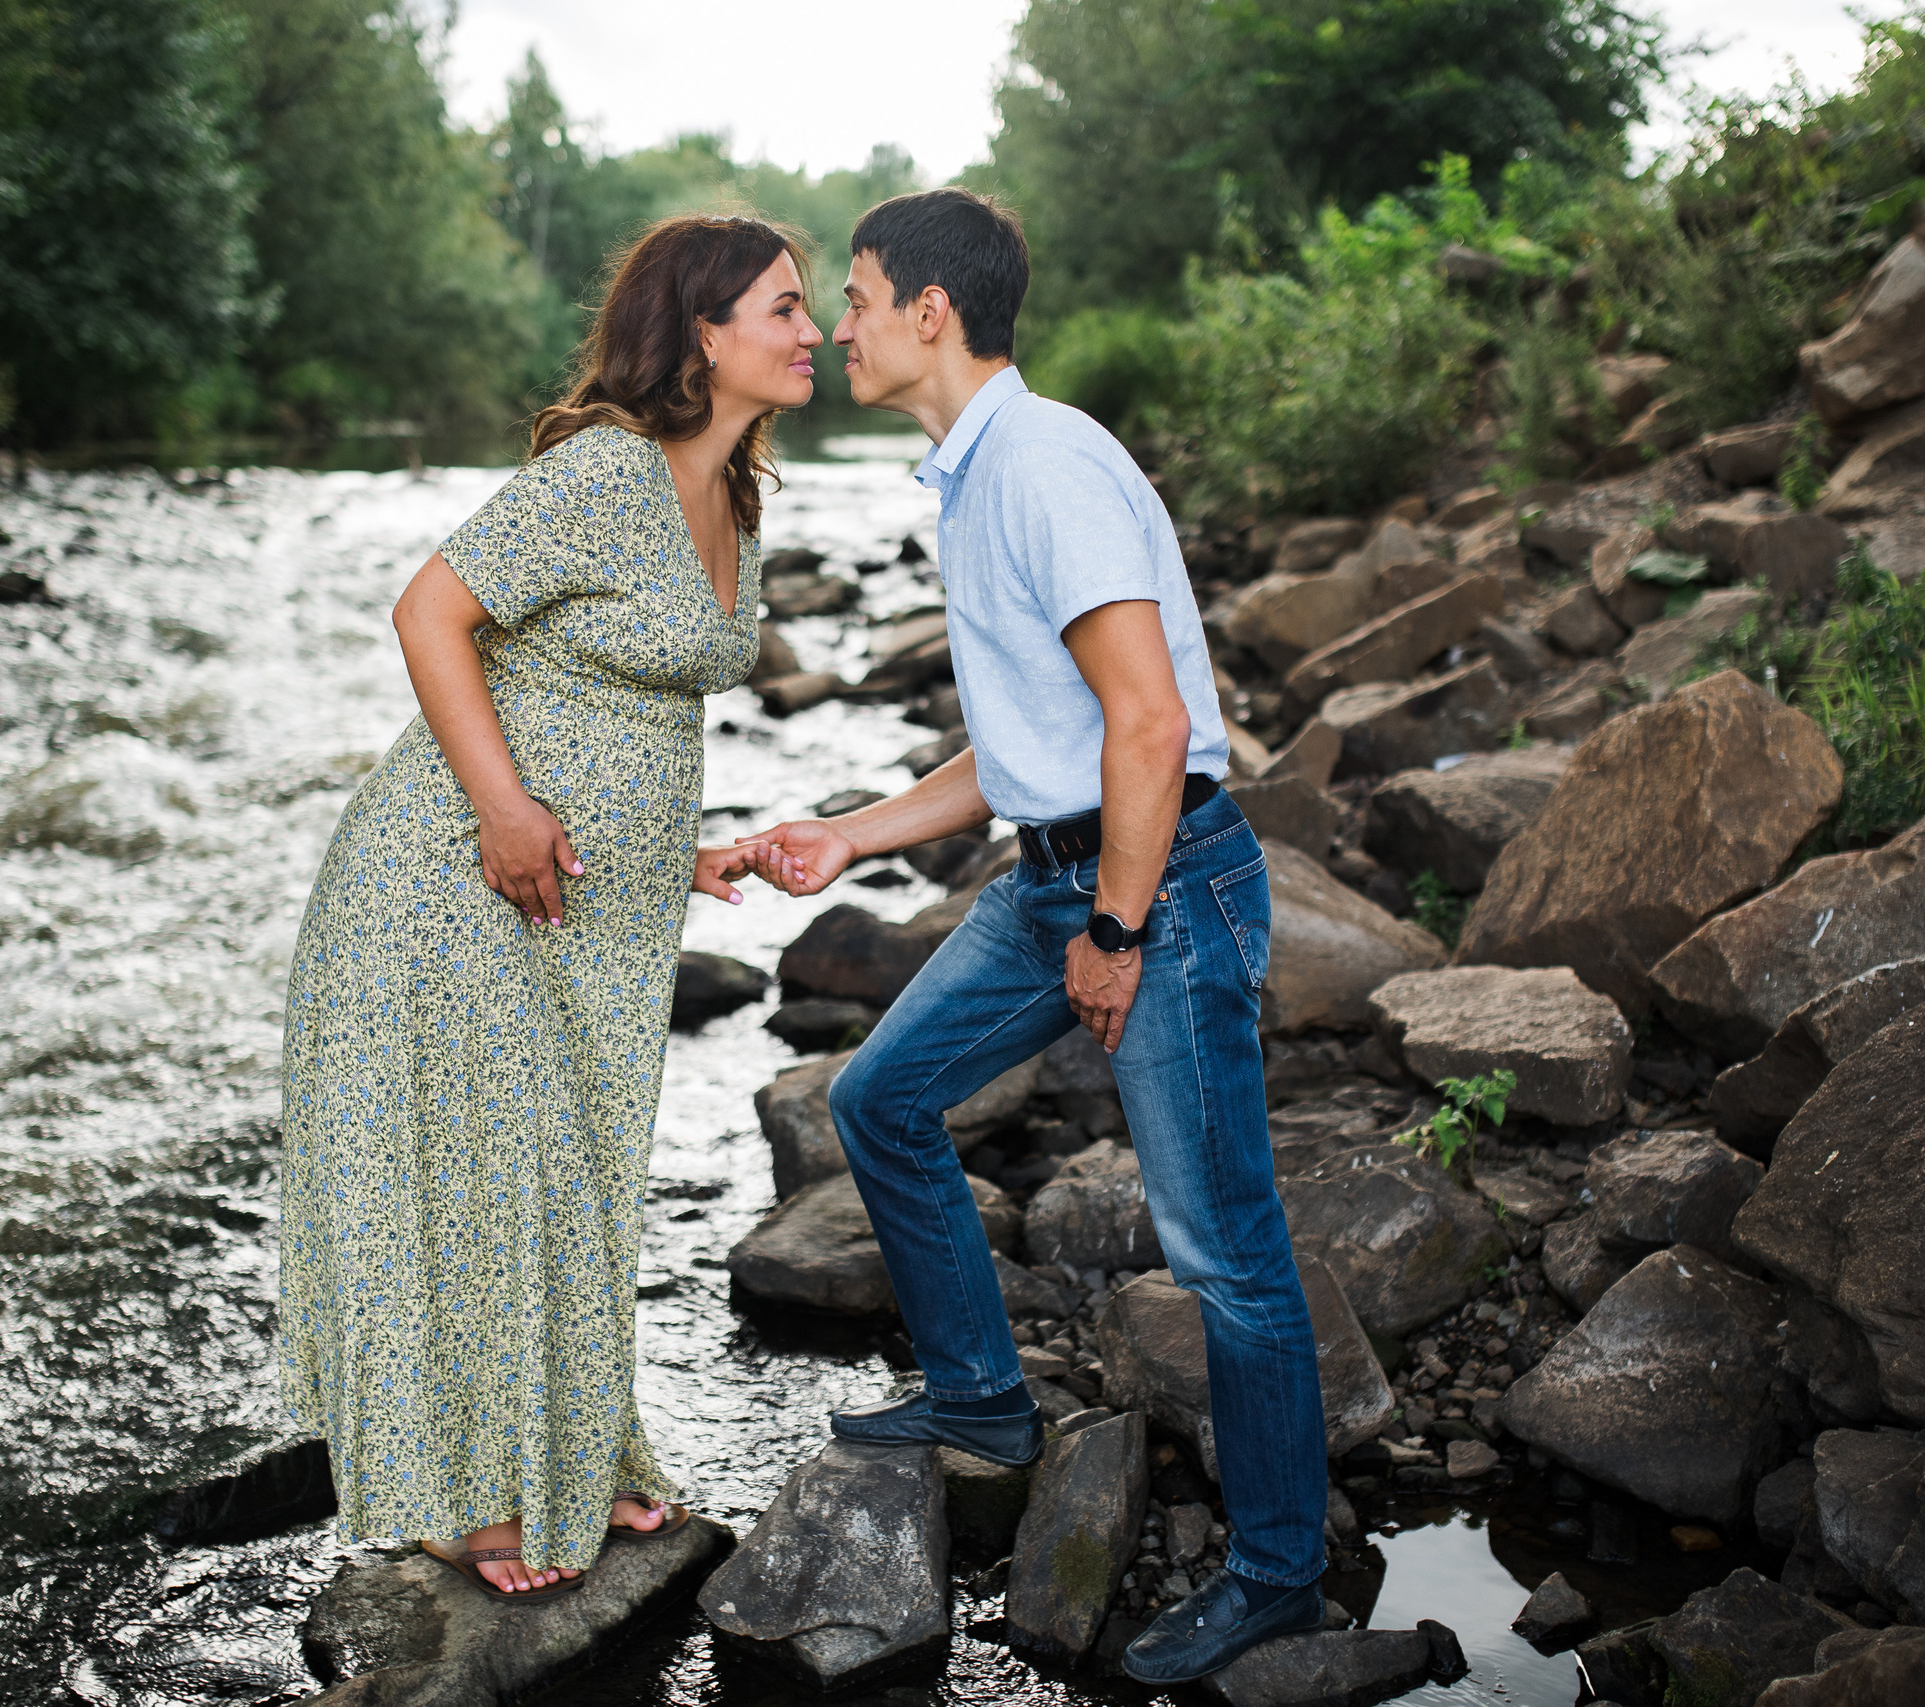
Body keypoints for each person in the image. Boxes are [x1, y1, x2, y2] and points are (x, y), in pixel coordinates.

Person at [741, 188, 1333, 1682]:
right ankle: (983, 1401)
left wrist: (1119, 933)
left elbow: (1146, 723)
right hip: (1056, 876)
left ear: (932, 310)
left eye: (859, 294)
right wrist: (853, 834)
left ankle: (1277, 1574)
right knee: (878, 1100)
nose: (841, 324)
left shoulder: (1048, 465)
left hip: (1163, 890)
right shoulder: (975, 474)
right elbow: (1035, 746)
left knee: (1222, 1253)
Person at [276, 213, 818, 1601]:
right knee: (490, 1176)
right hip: (453, 871)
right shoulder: (605, 472)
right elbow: (427, 615)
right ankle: (455, 1501)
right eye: (785, 307)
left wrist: (668, 849)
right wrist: (510, 810)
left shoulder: (740, 491)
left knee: (570, 1179)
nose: (813, 331)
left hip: (594, 900)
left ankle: (575, 1455)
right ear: (705, 332)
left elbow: (617, 699)